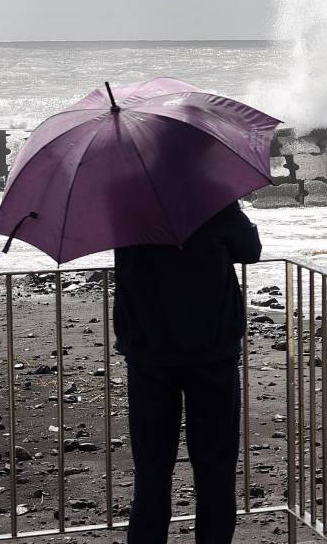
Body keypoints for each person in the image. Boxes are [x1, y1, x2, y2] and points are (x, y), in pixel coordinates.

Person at [112, 201, 261, 544]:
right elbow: (250, 250)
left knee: (150, 474)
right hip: (211, 353)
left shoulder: (125, 198)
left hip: (149, 352)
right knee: (215, 473)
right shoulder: (210, 196)